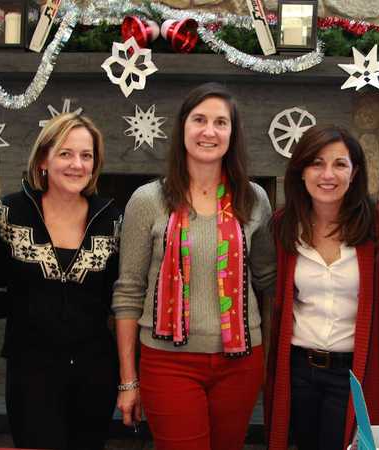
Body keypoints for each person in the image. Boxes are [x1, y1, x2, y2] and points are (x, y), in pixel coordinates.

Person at [112, 82, 276, 450]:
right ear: (183, 127)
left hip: (241, 362)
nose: (209, 131)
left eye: (221, 122)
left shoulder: (254, 199)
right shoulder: (148, 200)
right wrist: (128, 380)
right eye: (199, 119)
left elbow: (269, 280)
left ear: (232, 135)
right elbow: (129, 291)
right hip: (168, 363)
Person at [264, 126, 379, 450]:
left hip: (354, 372)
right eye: (316, 163)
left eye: (340, 164)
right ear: (301, 172)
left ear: (354, 173)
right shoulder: (283, 226)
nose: (328, 174)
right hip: (298, 370)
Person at [0, 112, 121, 450]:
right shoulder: (8, 213)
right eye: (65, 153)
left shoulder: (111, 219)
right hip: (31, 370)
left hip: (94, 371)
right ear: (43, 160)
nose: (76, 164)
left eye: (86, 156)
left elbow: (123, 295)